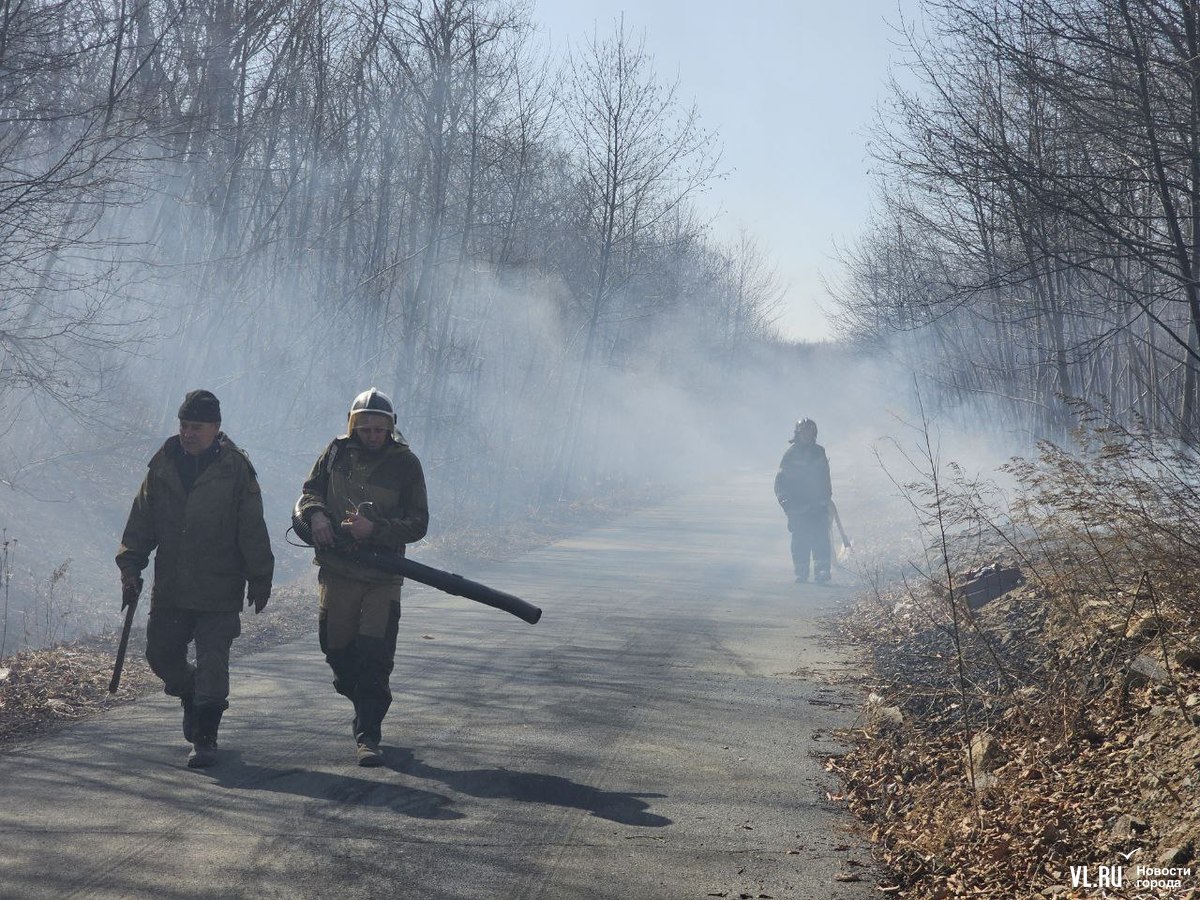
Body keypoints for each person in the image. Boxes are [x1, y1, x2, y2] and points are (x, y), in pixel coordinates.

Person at [116, 389, 274, 768]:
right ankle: (191, 693)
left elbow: (251, 527)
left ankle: (205, 735)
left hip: (219, 588)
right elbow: (141, 521)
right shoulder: (163, 465)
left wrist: (260, 576)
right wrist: (130, 566)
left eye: (197, 427)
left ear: (216, 428)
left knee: (213, 662)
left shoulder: (236, 469)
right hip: (171, 587)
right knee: (160, 655)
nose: (188, 433)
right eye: (184, 425)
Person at [295, 387, 429, 767]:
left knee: (375, 654)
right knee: (336, 651)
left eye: (378, 429)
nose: (372, 435)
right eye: (365, 428)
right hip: (337, 572)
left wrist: (376, 530)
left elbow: (418, 522)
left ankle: (368, 734)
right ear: (353, 427)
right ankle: (363, 701)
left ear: (390, 429)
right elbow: (309, 492)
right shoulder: (335, 453)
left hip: (383, 577)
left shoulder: (406, 464)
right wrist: (317, 514)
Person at [774, 417, 833, 584]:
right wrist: (786, 502)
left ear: (814, 433)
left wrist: (826, 498)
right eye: (803, 432)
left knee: (821, 536)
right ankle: (801, 571)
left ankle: (822, 570)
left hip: (817, 503)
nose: (807, 435)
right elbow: (780, 481)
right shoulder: (790, 454)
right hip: (797, 506)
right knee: (800, 538)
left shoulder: (819, 452)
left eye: (810, 431)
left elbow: (825, 477)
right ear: (797, 434)